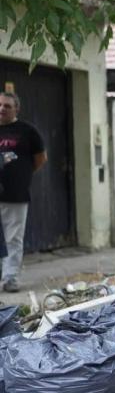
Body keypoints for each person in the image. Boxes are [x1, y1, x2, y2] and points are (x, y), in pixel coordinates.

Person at [0, 91, 47, 293]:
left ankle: (10, 279)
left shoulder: (28, 131)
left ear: (16, 109)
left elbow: (40, 159)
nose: (2, 109)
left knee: (13, 238)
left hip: (15, 195)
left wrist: (22, 175)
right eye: (0, 105)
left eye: (7, 106)